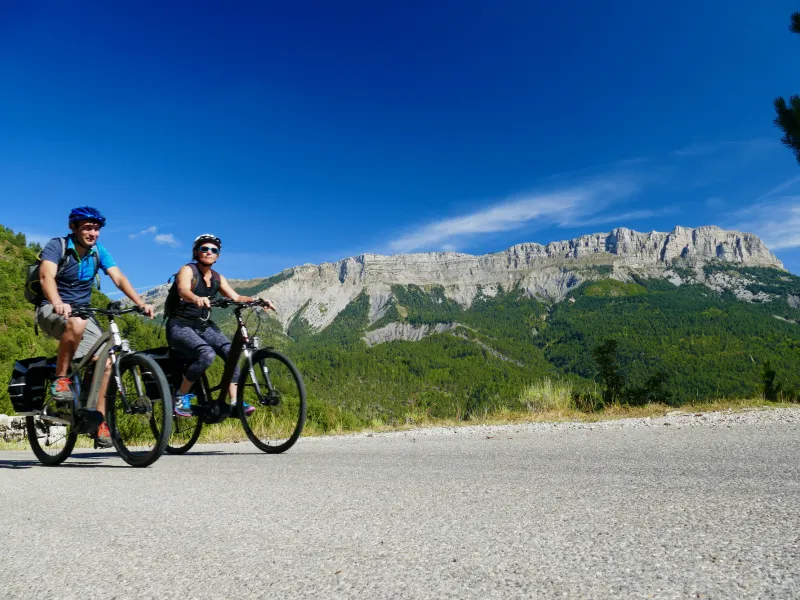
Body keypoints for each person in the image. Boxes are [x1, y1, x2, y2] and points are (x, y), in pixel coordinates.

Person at [37, 206, 155, 447]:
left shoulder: (99, 252)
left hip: (83, 314)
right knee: (77, 323)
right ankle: (61, 379)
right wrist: (57, 302)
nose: (94, 233)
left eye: (97, 228)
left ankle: (99, 421)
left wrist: (140, 302)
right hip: (51, 308)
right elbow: (45, 277)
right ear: (75, 228)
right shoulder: (57, 246)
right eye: (88, 227)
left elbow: (119, 278)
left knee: (108, 360)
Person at [167, 233, 275, 417]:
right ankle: (180, 397)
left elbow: (236, 297)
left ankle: (235, 401)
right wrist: (196, 298)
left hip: (203, 325)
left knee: (231, 352)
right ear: (196, 251)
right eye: (204, 248)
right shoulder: (188, 270)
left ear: (218, 255)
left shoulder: (218, 278)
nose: (209, 252)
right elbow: (183, 290)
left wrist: (257, 300)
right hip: (180, 325)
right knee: (207, 354)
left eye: (214, 250)